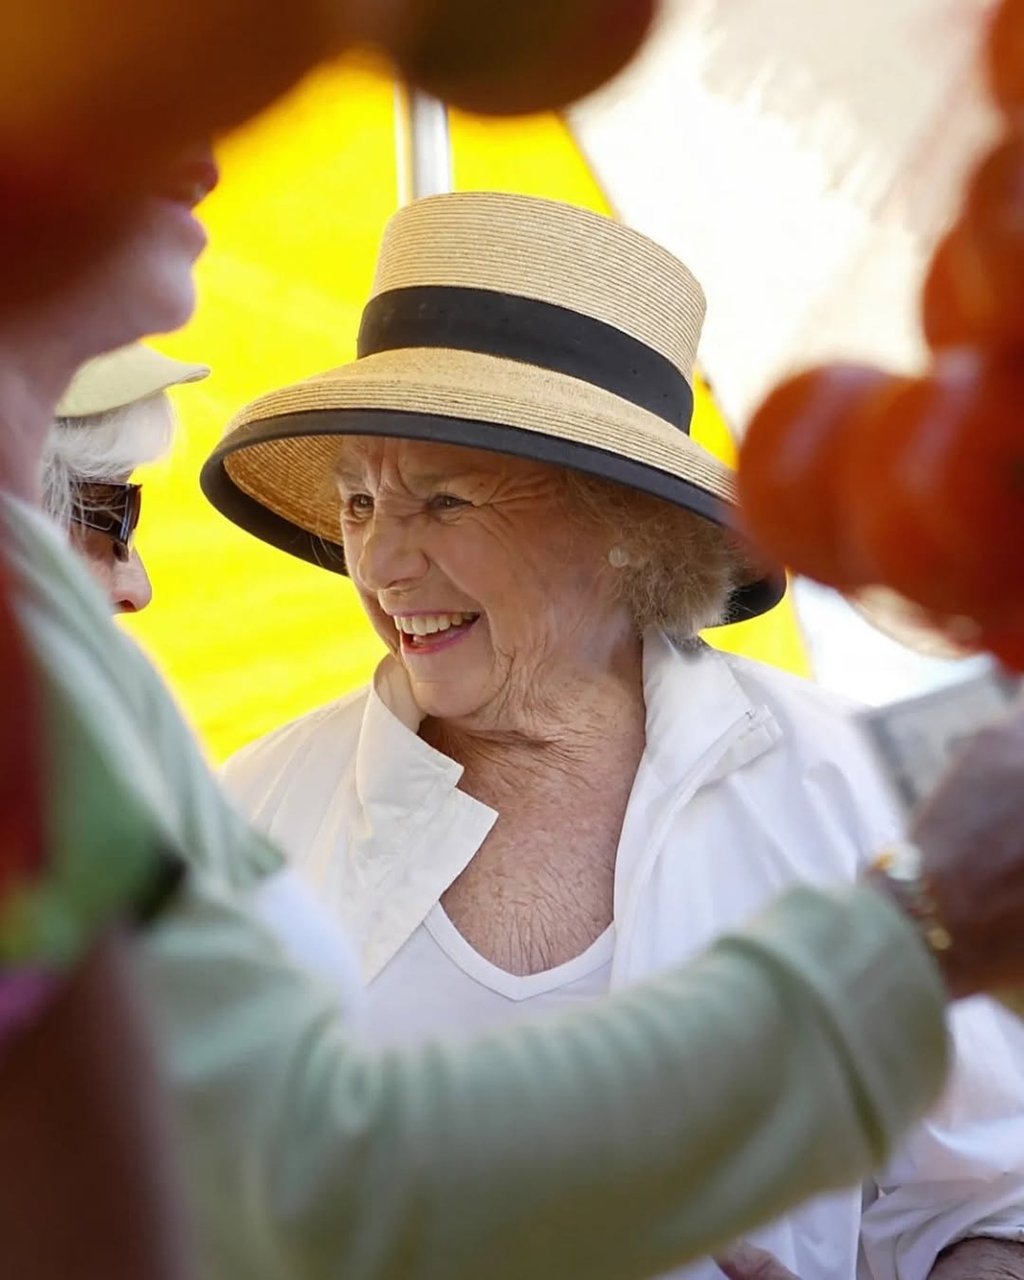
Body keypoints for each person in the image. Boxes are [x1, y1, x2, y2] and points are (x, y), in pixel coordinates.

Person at [6, 164, 1024, 1280]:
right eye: (360, 502)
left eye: (445, 500)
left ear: (627, 525)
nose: (380, 565)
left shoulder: (863, 786)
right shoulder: (247, 811)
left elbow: (994, 1205)